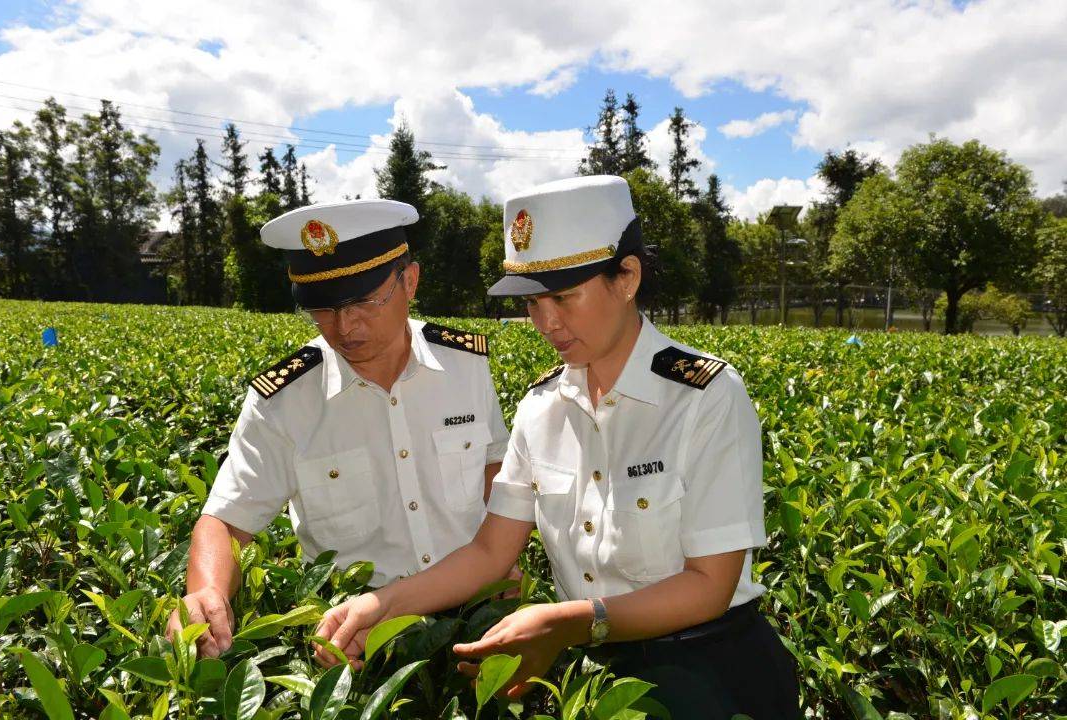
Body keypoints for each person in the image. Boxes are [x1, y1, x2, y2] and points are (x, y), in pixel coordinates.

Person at [312, 177, 799, 719]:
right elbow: (491, 552)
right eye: (532, 301)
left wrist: (571, 622)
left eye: (564, 296)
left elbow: (709, 586)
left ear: (627, 277)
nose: (546, 322)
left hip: (713, 673)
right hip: (595, 676)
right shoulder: (541, 408)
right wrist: (382, 605)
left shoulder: (704, 397)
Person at [166, 199, 511, 659]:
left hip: (478, 614)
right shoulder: (284, 401)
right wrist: (207, 592)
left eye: (363, 301)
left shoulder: (464, 366)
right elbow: (227, 518)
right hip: (354, 633)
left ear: (409, 281)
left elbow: (494, 471)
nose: (344, 326)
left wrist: (507, 573)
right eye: (322, 309)